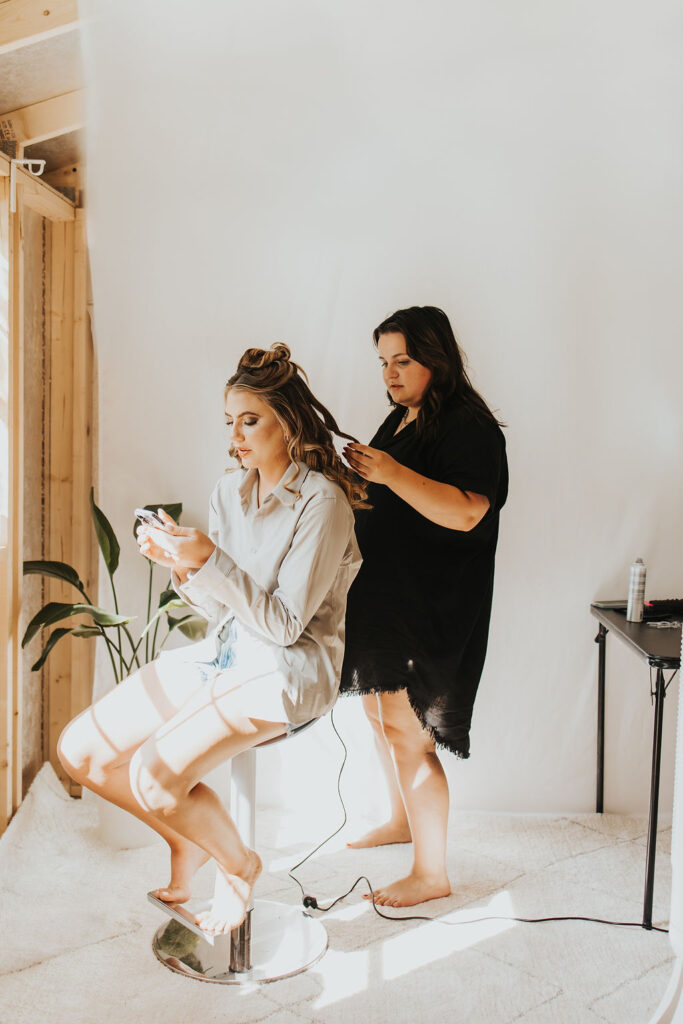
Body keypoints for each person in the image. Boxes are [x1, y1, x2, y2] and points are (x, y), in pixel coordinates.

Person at [58, 344, 364, 935]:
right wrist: (182, 565)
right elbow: (210, 602)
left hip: (287, 671)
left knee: (153, 775)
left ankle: (239, 866)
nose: (237, 435)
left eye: (250, 420)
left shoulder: (322, 504)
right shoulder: (230, 492)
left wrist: (212, 560)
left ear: (289, 423)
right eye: (230, 421)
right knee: (82, 751)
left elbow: (283, 626)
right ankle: (187, 842)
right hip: (224, 651)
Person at [340, 306, 508, 908]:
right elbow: (388, 493)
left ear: (435, 359)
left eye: (402, 360)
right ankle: (401, 819)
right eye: (383, 361)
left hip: (433, 603)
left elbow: (466, 511)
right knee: (379, 718)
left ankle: (431, 873)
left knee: (410, 732)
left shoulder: (470, 426)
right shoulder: (403, 417)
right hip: (390, 595)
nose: (390, 372)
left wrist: (387, 471)